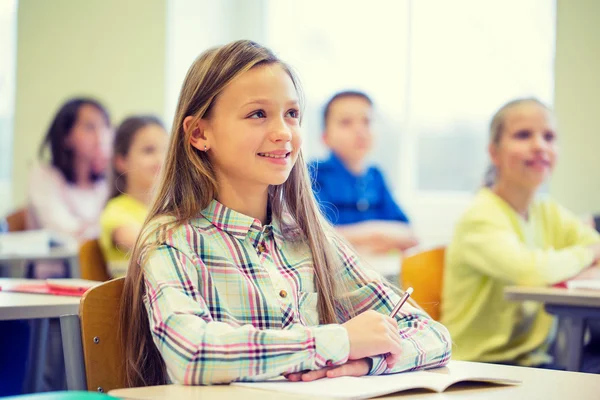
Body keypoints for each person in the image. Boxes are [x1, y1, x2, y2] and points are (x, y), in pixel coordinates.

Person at [119, 40, 451, 387]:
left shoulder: (307, 238)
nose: (283, 133)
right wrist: (340, 341)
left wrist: (367, 362)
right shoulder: (172, 238)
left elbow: (433, 335)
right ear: (200, 133)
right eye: (258, 114)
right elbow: (193, 353)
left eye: (291, 114)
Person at [441, 98, 600, 369]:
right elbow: (531, 272)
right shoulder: (480, 216)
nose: (540, 146)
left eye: (549, 137)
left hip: (531, 360)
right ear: (494, 152)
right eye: (523, 135)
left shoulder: (545, 210)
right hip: (481, 366)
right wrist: (583, 256)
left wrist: (567, 262)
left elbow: (595, 245)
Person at [310, 91, 417, 255]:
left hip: (378, 273)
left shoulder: (376, 176)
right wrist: (380, 234)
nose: (360, 130)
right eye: (346, 122)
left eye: (367, 122)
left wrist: (358, 239)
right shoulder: (314, 174)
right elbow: (317, 237)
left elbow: (409, 235)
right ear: (325, 137)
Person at [28, 97, 112, 278]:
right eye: (90, 127)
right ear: (66, 136)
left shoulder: (107, 183)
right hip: (52, 278)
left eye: (105, 126)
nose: (101, 137)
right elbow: (60, 230)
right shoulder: (44, 176)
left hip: (96, 278)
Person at [100, 115, 168, 278]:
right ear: (121, 160)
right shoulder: (115, 211)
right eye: (148, 150)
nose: (161, 159)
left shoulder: (168, 209)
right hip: (135, 300)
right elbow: (148, 244)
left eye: (166, 150)